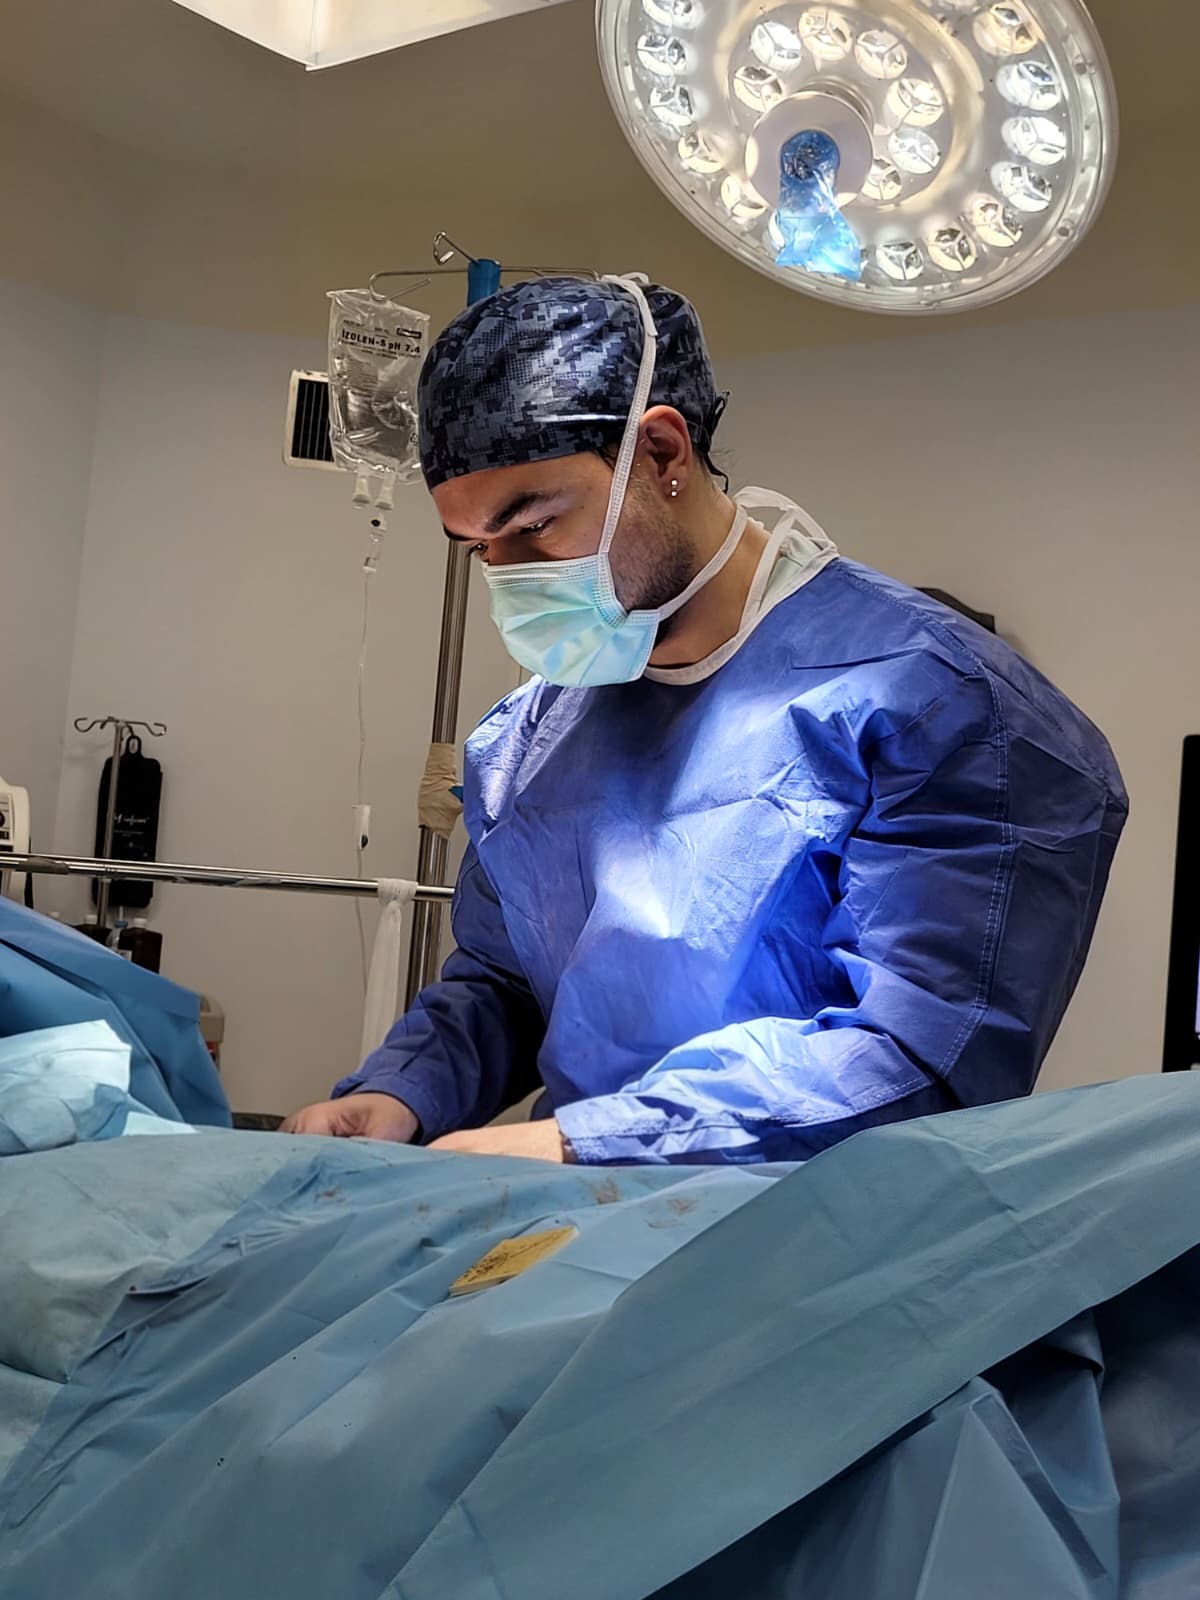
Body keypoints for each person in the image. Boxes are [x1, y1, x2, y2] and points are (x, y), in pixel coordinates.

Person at [283, 276, 1127, 1165]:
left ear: (661, 453)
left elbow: (916, 1058)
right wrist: (403, 1089)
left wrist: (586, 1145)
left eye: (533, 527)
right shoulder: (528, 741)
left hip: (817, 1231)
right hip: (579, 1216)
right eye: (479, 548)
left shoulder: (947, 709)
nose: (510, 576)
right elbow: (510, 979)